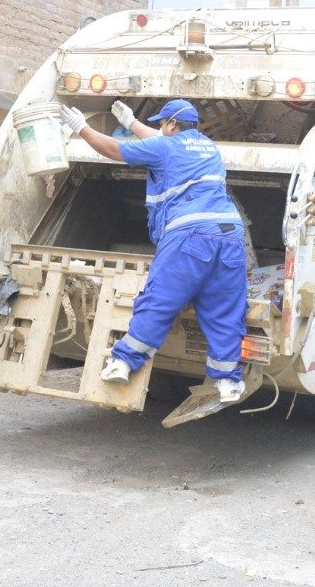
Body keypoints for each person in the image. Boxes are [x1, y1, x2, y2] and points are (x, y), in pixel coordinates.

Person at [60, 99, 249, 403]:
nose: (161, 127)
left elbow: (113, 149)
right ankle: (227, 382)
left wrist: (81, 128)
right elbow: (162, 143)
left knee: (159, 300)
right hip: (229, 237)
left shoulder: (166, 149)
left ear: (172, 125)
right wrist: (132, 122)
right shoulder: (207, 147)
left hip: (189, 237)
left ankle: (122, 363)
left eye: (163, 122)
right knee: (225, 311)